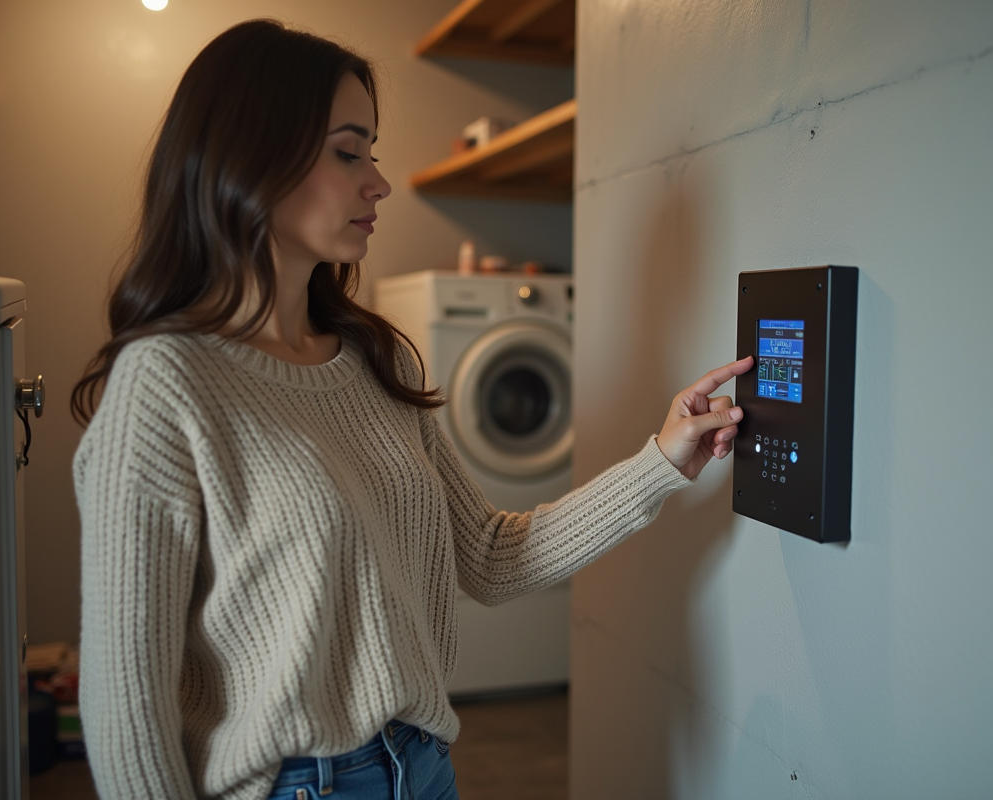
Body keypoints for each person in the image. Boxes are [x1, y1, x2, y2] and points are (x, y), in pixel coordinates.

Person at [71, 18, 752, 800]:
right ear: (249, 159)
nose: (378, 182)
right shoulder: (165, 385)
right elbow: (128, 706)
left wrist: (660, 462)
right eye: (347, 151)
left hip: (423, 767)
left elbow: (492, 559)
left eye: (373, 152)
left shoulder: (373, 360)